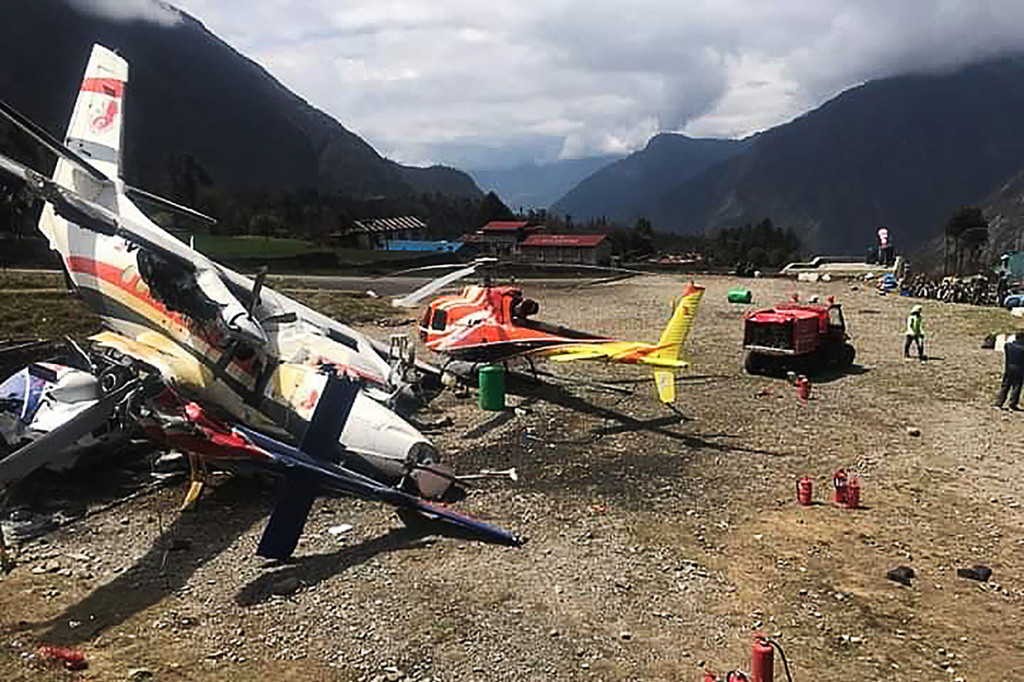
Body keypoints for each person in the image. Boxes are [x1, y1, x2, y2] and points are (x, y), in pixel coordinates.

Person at [996, 335, 1024, 410]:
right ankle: (1012, 404)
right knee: (1016, 387)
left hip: (1008, 368)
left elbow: (1006, 344)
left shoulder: (1008, 346)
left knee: (1005, 386)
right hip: (1019, 370)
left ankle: (999, 403)